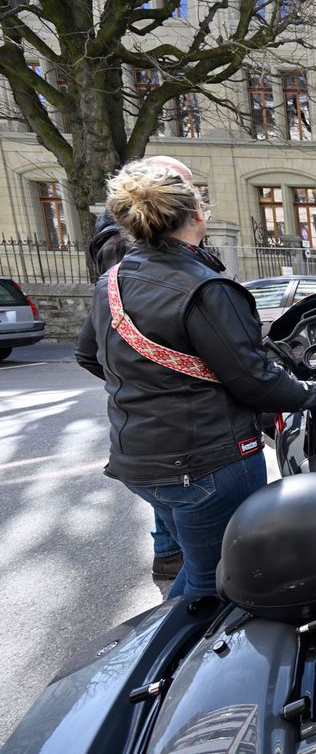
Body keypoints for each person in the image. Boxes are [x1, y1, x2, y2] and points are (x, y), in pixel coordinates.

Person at [76, 160, 316, 598]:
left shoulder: (112, 281)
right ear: (197, 213)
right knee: (219, 580)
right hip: (207, 464)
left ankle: (167, 649)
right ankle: (170, 661)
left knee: (201, 567)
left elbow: (89, 355)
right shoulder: (205, 289)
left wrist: (150, 387)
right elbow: (256, 382)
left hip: (139, 460)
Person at [86, 154, 197, 582]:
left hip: (146, 426)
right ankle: (173, 563)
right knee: (205, 566)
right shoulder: (128, 248)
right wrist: (144, 376)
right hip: (171, 427)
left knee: (165, 491)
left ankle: (168, 553)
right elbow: (117, 328)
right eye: (184, 189)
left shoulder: (123, 241)